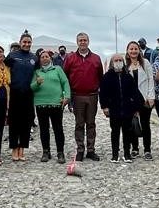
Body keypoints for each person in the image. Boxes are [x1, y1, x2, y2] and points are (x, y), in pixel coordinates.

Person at [63, 32, 103, 162]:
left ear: (88, 41)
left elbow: (100, 76)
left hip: (92, 95)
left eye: (85, 40)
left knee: (91, 124)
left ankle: (91, 150)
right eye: (80, 40)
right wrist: (67, 95)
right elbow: (65, 76)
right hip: (77, 95)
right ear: (77, 42)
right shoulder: (70, 58)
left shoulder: (96, 58)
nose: (83, 42)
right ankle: (80, 149)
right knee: (79, 124)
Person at [100, 53, 143, 163]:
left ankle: (127, 154)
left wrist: (136, 107)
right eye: (116, 60)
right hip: (114, 109)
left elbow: (135, 93)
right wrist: (104, 107)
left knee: (127, 132)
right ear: (112, 63)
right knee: (115, 132)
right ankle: (115, 154)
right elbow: (103, 93)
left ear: (123, 62)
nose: (118, 62)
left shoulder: (128, 76)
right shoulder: (106, 77)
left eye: (120, 60)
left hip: (127, 109)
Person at [31, 50, 70, 163]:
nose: (44, 58)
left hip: (56, 103)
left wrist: (67, 96)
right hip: (41, 104)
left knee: (58, 129)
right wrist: (37, 83)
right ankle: (46, 152)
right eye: (42, 57)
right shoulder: (37, 72)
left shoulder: (57, 69)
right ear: (40, 59)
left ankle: (60, 152)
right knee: (44, 129)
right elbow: (32, 88)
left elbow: (65, 83)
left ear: (50, 58)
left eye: (46, 56)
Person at [5, 32, 37, 162]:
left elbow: (38, 74)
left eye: (29, 42)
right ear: (20, 42)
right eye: (24, 42)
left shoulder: (34, 58)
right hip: (14, 93)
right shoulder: (12, 56)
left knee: (26, 122)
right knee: (14, 122)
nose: (26, 44)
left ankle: (22, 149)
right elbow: (3, 69)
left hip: (28, 94)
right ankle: (14, 148)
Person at [125, 41, 155, 160]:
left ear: (139, 50)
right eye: (131, 49)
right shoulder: (125, 65)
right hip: (131, 100)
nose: (133, 51)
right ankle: (135, 148)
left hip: (144, 98)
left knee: (145, 124)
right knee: (132, 124)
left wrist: (150, 96)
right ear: (127, 51)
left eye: (135, 49)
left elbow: (150, 80)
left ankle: (147, 149)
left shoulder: (145, 63)